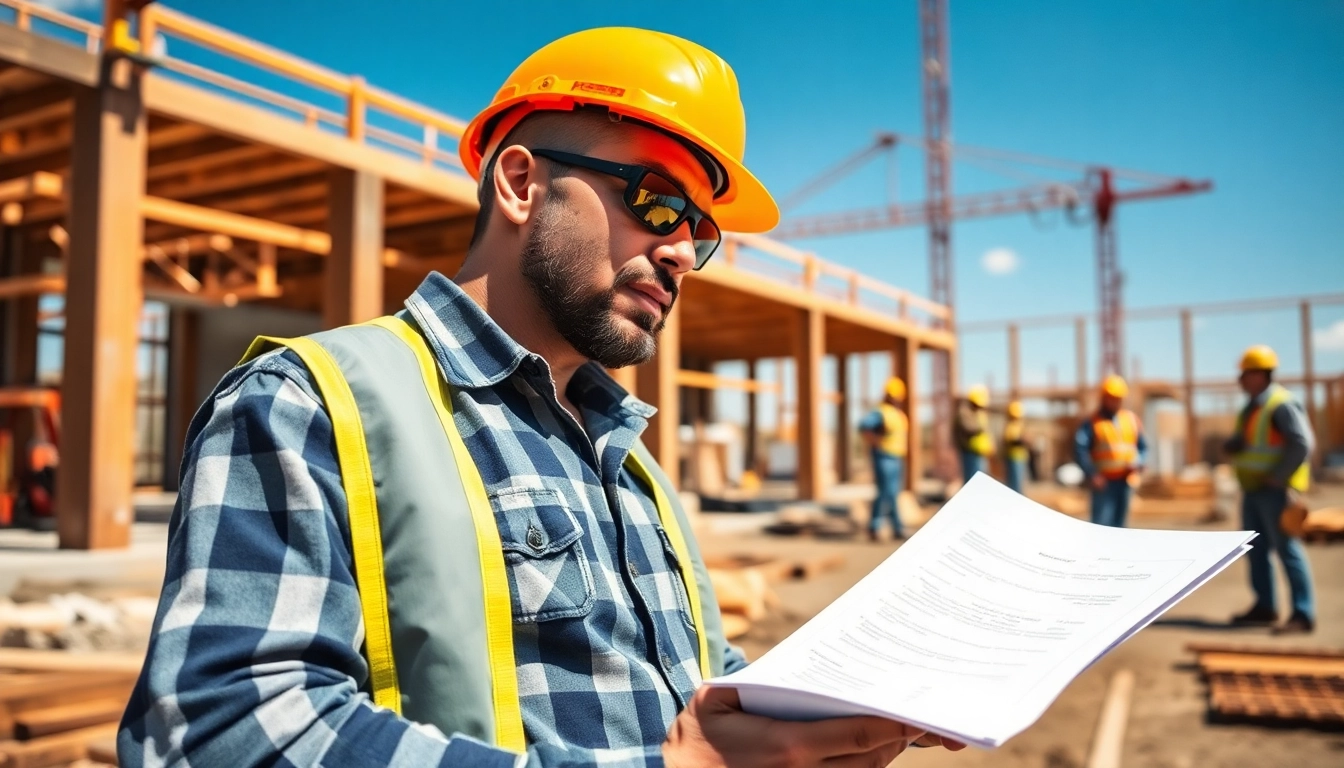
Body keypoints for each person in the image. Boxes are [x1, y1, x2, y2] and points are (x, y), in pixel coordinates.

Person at [118, 28, 962, 767]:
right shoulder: (307, 404)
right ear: (521, 183)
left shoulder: (626, 460)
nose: (680, 251)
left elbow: (674, 690)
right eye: (658, 201)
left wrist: (809, 721)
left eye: (699, 231)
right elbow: (216, 732)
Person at [1226, 345, 1316, 635]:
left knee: (1287, 550)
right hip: (1253, 490)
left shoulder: (1281, 404)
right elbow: (1256, 443)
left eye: (1245, 374)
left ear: (1259, 375)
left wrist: (1279, 477)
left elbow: (1302, 444)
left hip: (1275, 491)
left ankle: (1303, 614)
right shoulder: (1252, 408)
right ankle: (1265, 606)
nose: (1240, 379)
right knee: (1255, 550)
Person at [1074, 375, 1146, 528]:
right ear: (1103, 397)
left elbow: (1142, 447)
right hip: (1104, 483)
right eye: (1111, 398)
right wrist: (1093, 474)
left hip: (1125, 481)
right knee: (1101, 526)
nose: (1115, 401)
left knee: (1120, 527)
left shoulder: (1131, 420)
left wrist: (1139, 462)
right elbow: (1080, 450)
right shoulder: (1092, 422)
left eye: (1118, 398)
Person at [859, 377, 909, 541]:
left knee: (893, 493)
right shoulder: (880, 412)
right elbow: (864, 426)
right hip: (884, 456)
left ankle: (897, 528)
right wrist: (875, 441)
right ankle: (875, 527)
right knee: (885, 492)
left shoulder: (896, 414)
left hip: (896, 457)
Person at [954, 385, 994, 484]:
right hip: (970, 451)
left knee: (981, 479)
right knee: (973, 479)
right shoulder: (964, 412)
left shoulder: (978, 413)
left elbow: (986, 433)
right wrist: (980, 427)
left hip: (979, 451)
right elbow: (968, 428)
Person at [1002, 401, 1028, 494]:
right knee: (1015, 483)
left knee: (1019, 482)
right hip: (1013, 458)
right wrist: (1022, 440)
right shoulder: (1010, 426)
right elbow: (1011, 440)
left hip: (1020, 457)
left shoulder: (1019, 425)